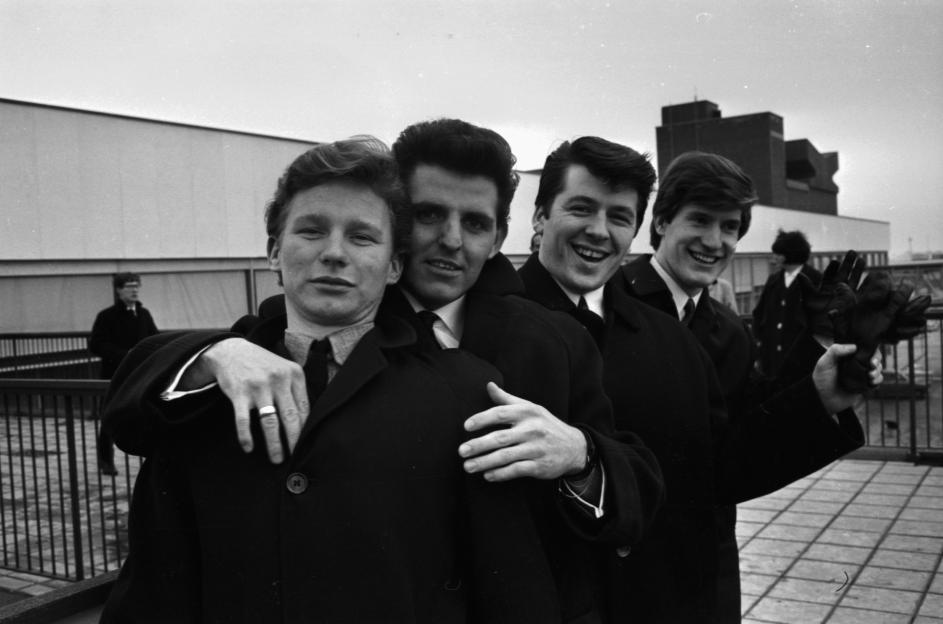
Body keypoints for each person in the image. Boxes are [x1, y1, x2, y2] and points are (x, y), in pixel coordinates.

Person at [102, 120, 665, 622]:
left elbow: (635, 485)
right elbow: (159, 385)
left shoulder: (552, 342)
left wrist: (579, 453)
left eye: (475, 223)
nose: (450, 240)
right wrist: (212, 354)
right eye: (427, 215)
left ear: (498, 237)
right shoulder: (283, 329)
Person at [520, 137, 882, 623]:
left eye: (729, 227)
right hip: (602, 579)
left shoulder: (722, 329)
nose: (714, 241)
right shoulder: (604, 304)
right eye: (699, 220)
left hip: (693, 568)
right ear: (662, 223)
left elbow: (732, 448)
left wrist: (818, 385)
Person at [88, 272, 158, 475]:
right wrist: (123, 355)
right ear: (119, 290)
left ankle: (150, 457)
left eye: (136, 285)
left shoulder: (143, 314)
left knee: (146, 412)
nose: (134, 289)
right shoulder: (106, 316)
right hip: (114, 374)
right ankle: (105, 460)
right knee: (109, 417)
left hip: (140, 374)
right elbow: (96, 344)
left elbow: (154, 337)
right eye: (129, 286)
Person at [753, 229, 822, 376]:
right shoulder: (773, 280)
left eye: (778, 254)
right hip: (772, 362)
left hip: (803, 365)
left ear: (790, 254)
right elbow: (759, 315)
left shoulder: (816, 281)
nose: (773, 259)